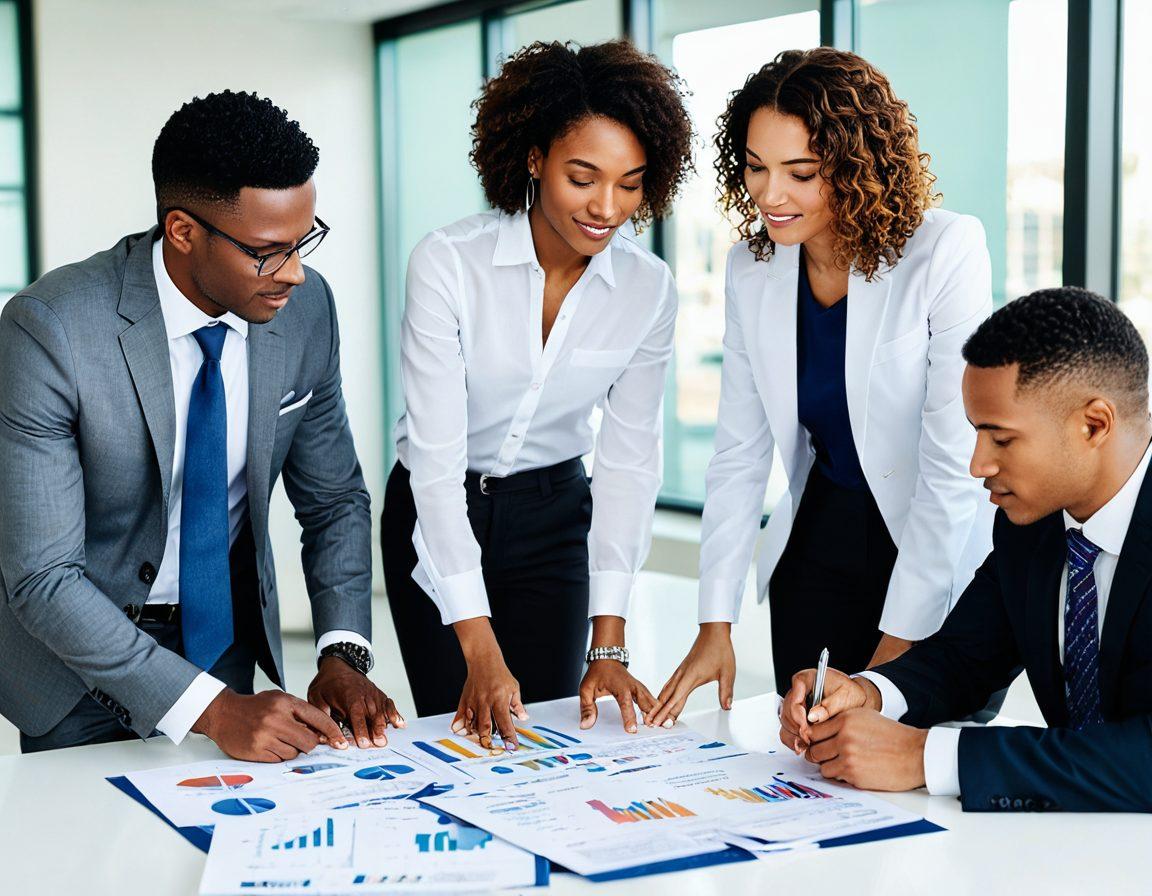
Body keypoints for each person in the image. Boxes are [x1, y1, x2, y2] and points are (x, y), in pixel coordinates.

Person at [0, 91, 400, 760]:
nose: (297, 274)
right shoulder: (52, 331)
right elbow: (44, 577)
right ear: (183, 231)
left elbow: (334, 500)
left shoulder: (306, 311)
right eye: (268, 252)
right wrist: (215, 713)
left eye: (304, 242)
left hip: (225, 640)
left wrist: (342, 655)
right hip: (75, 666)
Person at [650, 48, 994, 727]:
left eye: (800, 173)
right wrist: (714, 623)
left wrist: (897, 662)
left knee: (913, 763)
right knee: (812, 763)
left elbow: (953, 465)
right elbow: (739, 452)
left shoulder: (944, 250)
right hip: (819, 549)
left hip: (935, 546)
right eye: (755, 167)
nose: (770, 194)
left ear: (856, 164)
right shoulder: (751, 270)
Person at [382, 40, 693, 749]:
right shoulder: (449, 265)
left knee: (550, 733)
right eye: (583, 176)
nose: (606, 207)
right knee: (458, 732)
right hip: (438, 504)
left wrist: (607, 641)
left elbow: (629, 460)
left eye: (631, 183)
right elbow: (433, 461)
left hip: (554, 516)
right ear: (533, 158)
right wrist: (479, 646)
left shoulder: (648, 291)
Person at [781, 287, 1152, 812]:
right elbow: (964, 658)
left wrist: (924, 757)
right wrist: (866, 694)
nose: (977, 465)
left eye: (1000, 440)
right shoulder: (1032, 523)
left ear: (1093, 425)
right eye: (976, 434)